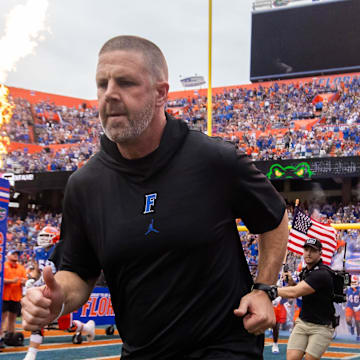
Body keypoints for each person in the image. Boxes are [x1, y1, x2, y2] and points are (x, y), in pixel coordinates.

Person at [21, 35, 289, 359]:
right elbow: (79, 271)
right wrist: (57, 297)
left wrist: (264, 289)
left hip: (222, 347)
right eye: (102, 84)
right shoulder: (85, 184)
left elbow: (275, 219)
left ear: (161, 93)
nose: (110, 95)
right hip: (141, 352)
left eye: (126, 83)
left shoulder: (214, 159)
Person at [23, 226, 95, 360]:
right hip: (43, 290)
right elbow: (37, 269)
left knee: (66, 326)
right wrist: (32, 279)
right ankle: (31, 354)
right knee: (39, 321)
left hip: (59, 290)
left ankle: (86, 327)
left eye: (47, 236)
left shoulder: (60, 250)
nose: (43, 239)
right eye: (42, 236)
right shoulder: (38, 251)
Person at [278, 238, 336, 360]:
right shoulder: (305, 272)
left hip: (322, 326)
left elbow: (295, 293)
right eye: (306, 249)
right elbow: (300, 290)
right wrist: (292, 282)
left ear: (320, 253)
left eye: (313, 250)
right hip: (303, 322)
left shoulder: (321, 274)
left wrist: (269, 290)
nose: (308, 253)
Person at [0, 250, 27, 348]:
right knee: (2, 318)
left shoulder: (21, 267)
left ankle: (10, 337)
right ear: (8, 255)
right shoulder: (3, 265)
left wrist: (24, 281)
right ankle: (1, 337)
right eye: (13, 254)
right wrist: (12, 281)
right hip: (4, 296)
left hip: (16, 297)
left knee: (13, 319)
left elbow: (25, 280)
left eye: (17, 254)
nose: (16, 256)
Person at [345, 275, 360, 341]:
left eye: (354, 282)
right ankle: (351, 326)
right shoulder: (347, 289)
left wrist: (359, 306)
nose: (353, 284)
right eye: (352, 282)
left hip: (357, 307)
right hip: (350, 306)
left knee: (358, 323)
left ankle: (358, 335)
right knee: (348, 320)